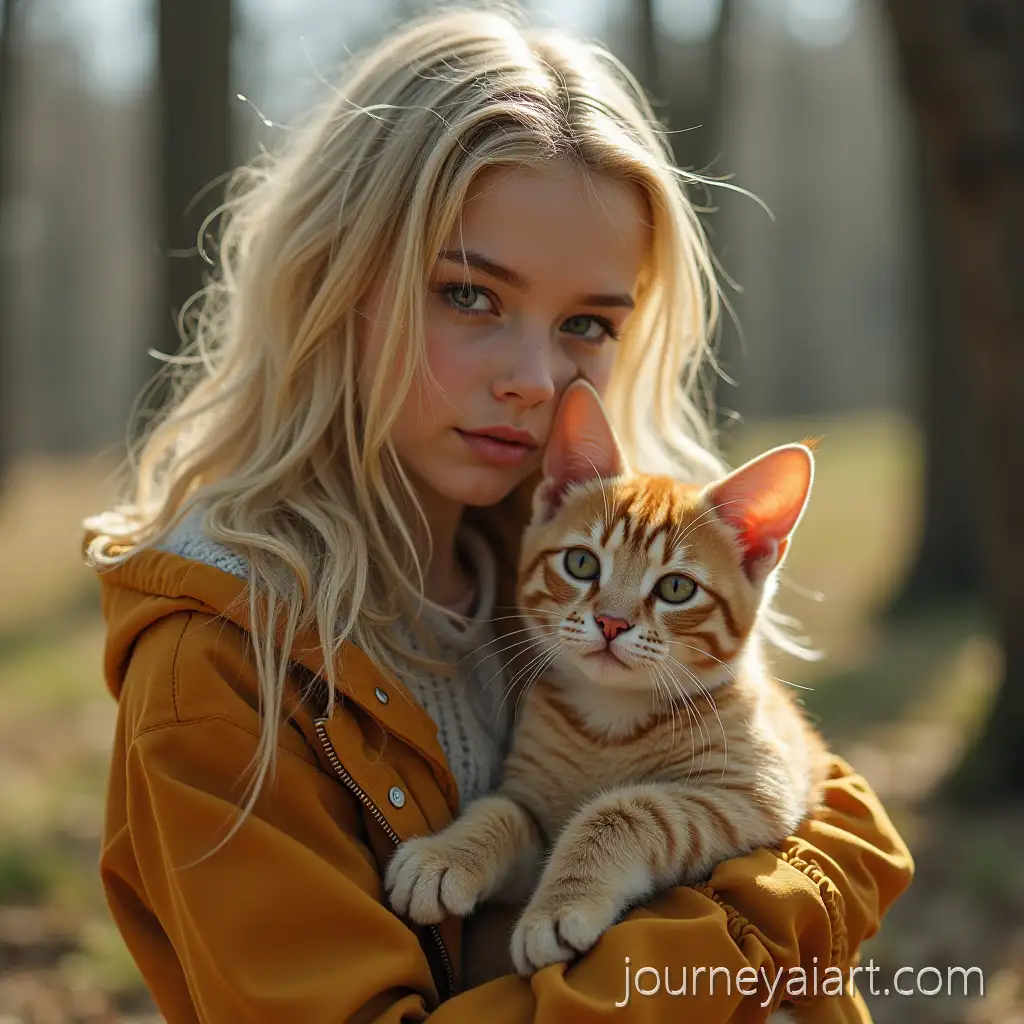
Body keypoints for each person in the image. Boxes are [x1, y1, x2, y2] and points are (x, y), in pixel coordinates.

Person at [84, 7, 913, 1022]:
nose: (535, 378)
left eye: (587, 323)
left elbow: (822, 811)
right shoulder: (218, 667)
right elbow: (834, 847)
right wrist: (764, 917)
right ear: (335, 280)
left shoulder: (577, 544)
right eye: (469, 294)